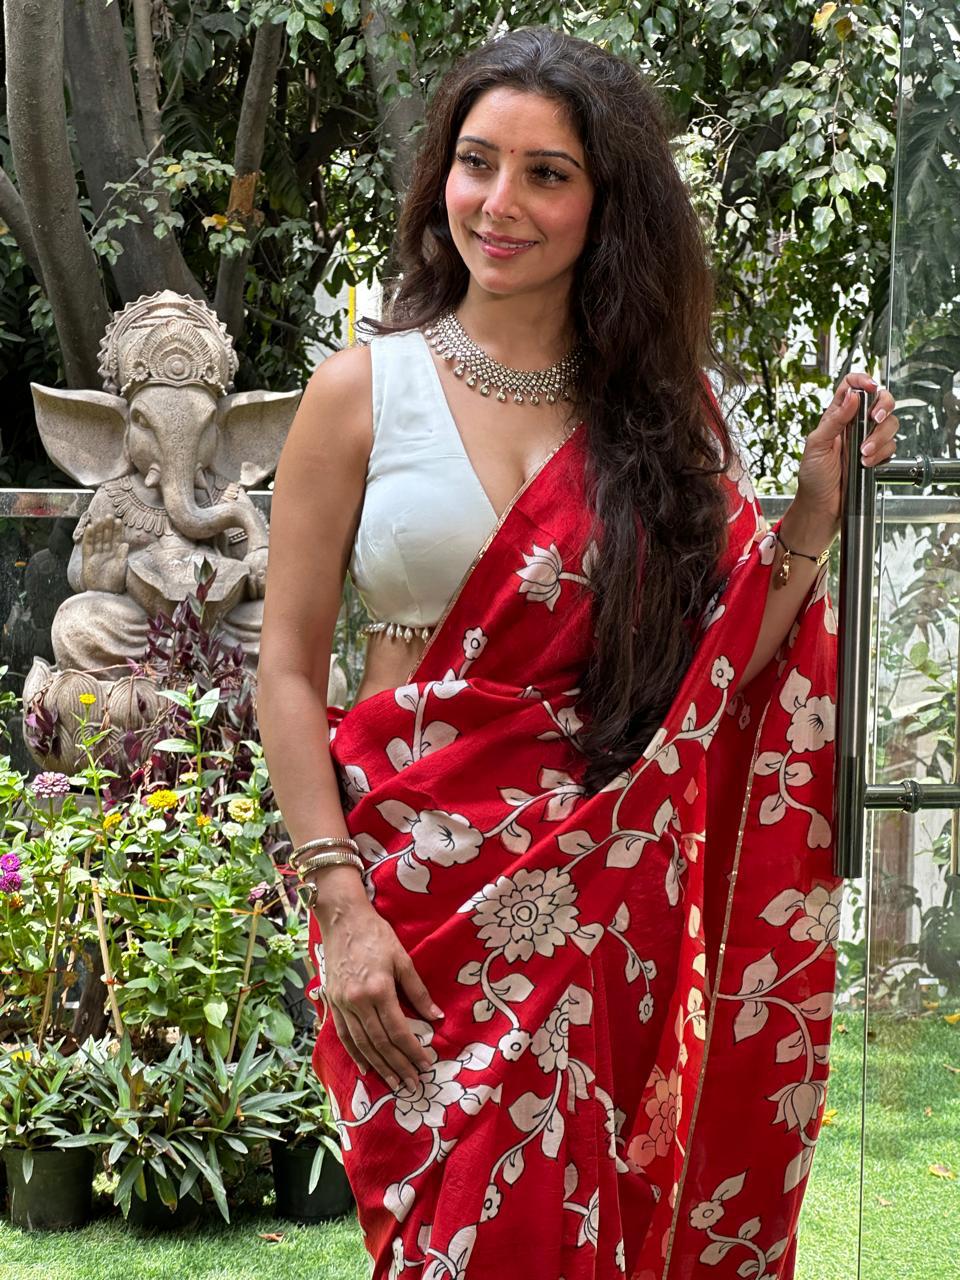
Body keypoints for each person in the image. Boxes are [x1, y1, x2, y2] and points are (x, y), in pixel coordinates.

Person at [256, 25, 898, 1280]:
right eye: (477, 163)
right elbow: (285, 665)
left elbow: (716, 672)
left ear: (609, 204)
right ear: (441, 177)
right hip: (407, 894)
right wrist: (338, 903)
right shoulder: (362, 390)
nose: (501, 204)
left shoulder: (669, 419)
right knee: (444, 1239)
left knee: (569, 1225)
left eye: (546, 173)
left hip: (600, 891)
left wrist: (812, 515)